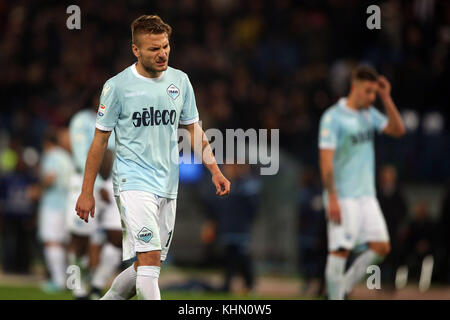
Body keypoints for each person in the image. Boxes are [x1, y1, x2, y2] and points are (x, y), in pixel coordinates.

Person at [75, 15, 230, 300]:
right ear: (136, 50)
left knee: (148, 264)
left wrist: (215, 171)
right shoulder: (117, 86)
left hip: (168, 183)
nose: (162, 54)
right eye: (154, 49)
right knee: (149, 261)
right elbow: (99, 141)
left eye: (166, 47)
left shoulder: (180, 81)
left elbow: (194, 130)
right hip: (133, 182)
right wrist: (87, 191)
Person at [318, 65, 405, 300]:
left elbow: (398, 130)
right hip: (343, 196)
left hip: (366, 196)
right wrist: (332, 197)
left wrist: (386, 97)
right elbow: (325, 161)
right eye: (368, 91)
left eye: (374, 92)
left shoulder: (369, 115)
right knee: (340, 251)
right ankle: (336, 296)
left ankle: (340, 289)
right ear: (354, 88)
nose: (371, 97)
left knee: (381, 247)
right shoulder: (333, 117)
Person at [66, 94, 122, 299]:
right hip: (86, 182)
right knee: (79, 239)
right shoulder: (82, 120)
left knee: (117, 238)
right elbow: (82, 156)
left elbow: (115, 154)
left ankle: (97, 285)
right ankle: (75, 286)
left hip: (113, 183)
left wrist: (114, 183)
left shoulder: (118, 120)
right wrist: (97, 186)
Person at [37, 129, 74, 292]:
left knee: (51, 241)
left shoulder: (51, 156)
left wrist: (38, 188)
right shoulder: (66, 157)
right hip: (67, 205)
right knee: (65, 243)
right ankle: (70, 280)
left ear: (46, 144)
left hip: (52, 205)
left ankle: (58, 281)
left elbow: (50, 178)